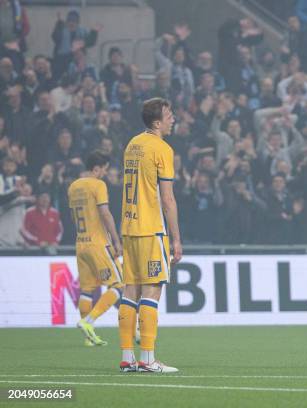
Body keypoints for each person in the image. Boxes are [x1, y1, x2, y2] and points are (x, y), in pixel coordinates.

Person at [118, 97, 182, 373]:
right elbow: (167, 199)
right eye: (169, 115)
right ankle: (147, 358)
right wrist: (176, 238)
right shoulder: (162, 149)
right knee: (152, 291)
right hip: (151, 228)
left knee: (129, 291)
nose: (173, 118)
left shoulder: (133, 144)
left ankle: (127, 357)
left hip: (129, 228)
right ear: (157, 122)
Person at [68, 151, 123, 346]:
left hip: (80, 243)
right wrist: (116, 241)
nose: (105, 174)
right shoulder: (98, 185)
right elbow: (105, 213)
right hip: (98, 243)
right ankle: (88, 322)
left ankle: (88, 339)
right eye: (104, 170)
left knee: (87, 289)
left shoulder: (73, 186)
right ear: (96, 168)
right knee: (119, 285)